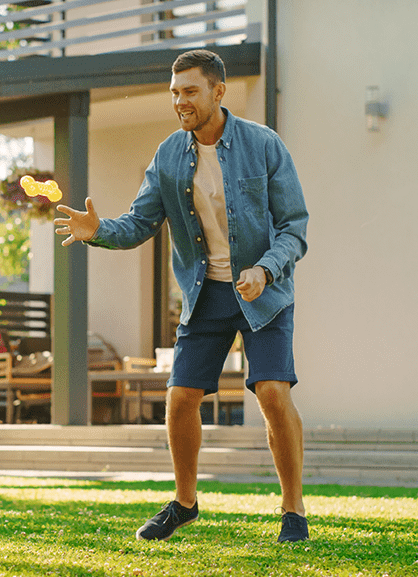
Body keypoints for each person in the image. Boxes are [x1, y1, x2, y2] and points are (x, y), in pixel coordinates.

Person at [53, 49, 310, 543]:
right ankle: (185, 503)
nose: (180, 102)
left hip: (264, 291)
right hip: (204, 293)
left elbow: (294, 229)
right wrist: (96, 230)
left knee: (273, 394)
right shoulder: (169, 154)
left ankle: (293, 511)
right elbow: (139, 223)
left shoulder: (263, 145)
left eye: (190, 91)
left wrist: (265, 268)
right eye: (174, 93)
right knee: (180, 398)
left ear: (218, 91)